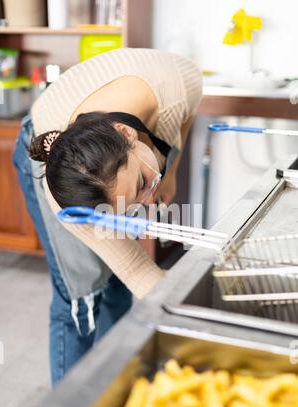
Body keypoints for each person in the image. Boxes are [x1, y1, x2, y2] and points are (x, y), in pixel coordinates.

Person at [13, 47, 202, 385]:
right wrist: (190, 325)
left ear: (127, 134)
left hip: (123, 129)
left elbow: (187, 113)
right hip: (44, 148)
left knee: (116, 287)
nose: (143, 205)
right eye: (121, 210)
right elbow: (135, 268)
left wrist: (168, 174)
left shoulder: (176, 86)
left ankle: (106, 381)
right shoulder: (69, 199)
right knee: (80, 296)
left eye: (142, 186)